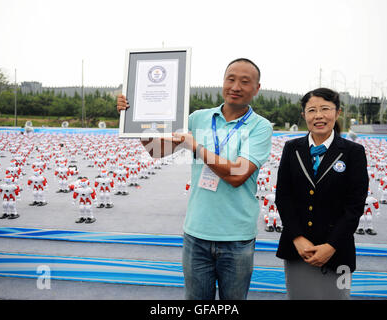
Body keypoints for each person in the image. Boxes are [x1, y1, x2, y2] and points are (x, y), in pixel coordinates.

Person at [117, 58, 273, 300]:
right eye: (230, 79)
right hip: (196, 234)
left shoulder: (260, 127)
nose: (235, 86)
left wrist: (196, 146)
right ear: (223, 82)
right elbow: (156, 150)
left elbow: (237, 175)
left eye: (245, 81)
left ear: (257, 88)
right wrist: (136, 116)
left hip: (236, 238)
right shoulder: (199, 118)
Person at [275, 87, 368, 300]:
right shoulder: (292, 148)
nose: (318, 116)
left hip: (338, 250)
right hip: (298, 251)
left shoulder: (353, 152)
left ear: (337, 112)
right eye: (312, 110)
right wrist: (297, 238)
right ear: (303, 115)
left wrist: (331, 245)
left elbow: (354, 206)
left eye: (325, 109)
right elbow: (284, 196)